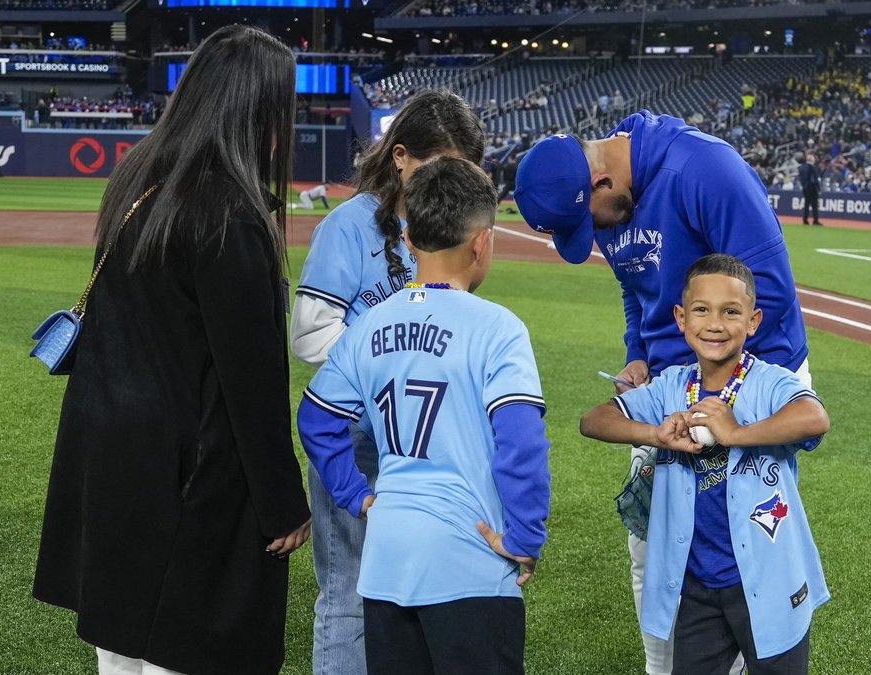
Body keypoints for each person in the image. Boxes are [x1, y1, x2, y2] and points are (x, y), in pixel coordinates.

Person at [32, 25, 311, 675]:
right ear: (257, 111)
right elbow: (252, 379)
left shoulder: (138, 180)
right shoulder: (227, 213)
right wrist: (281, 503)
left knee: (123, 655)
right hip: (187, 482)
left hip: (114, 464)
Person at [514, 112, 811, 675]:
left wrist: (715, 395)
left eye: (586, 221)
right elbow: (636, 286)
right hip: (668, 390)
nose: (593, 233)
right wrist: (639, 353)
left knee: (744, 541)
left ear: (600, 181)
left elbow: (767, 291)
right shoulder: (605, 200)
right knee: (655, 545)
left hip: (752, 377)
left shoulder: (705, 169)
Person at [298, 156, 551, 674]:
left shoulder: (369, 326)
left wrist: (356, 496)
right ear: (482, 243)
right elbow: (522, 443)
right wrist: (525, 539)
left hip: (386, 559)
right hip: (469, 560)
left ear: (409, 241)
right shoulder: (499, 328)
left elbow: (317, 420)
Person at [290, 88, 485, 675]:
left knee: (425, 592)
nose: (445, 180)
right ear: (400, 156)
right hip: (356, 442)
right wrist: (388, 364)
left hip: (426, 440)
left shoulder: (448, 228)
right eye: (437, 165)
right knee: (349, 596)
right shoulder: (347, 227)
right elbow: (307, 336)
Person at [580, 253, 830, 675]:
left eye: (731, 312)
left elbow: (814, 418)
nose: (715, 324)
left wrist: (735, 434)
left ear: (753, 322)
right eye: (701, 310)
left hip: (769, 580)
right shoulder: (672, 387)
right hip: (697, 585)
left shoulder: (769, 382)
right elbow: (594, 421)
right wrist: (655, 434)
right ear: (681, 317)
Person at [798, 154, 822, 225]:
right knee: (814, 206)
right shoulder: (813, 168)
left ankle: (805, 220)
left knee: (806, 205)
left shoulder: (801, 168)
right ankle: (815, 220)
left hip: (805, 189)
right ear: (812, 160)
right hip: (812, 189)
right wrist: (818, 189)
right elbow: (815, 179)